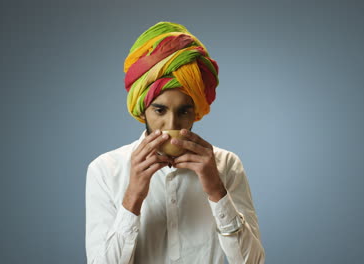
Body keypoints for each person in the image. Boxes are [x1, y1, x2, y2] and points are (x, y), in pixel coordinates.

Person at [85, 21, 265, 264]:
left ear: (196, 111)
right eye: (160, 111)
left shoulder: (226, 165)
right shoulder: (105, 169)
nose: (173, 124)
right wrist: (133, 197)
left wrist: (216, 191)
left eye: (183, 112)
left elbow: (252, 262)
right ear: (143, 110)